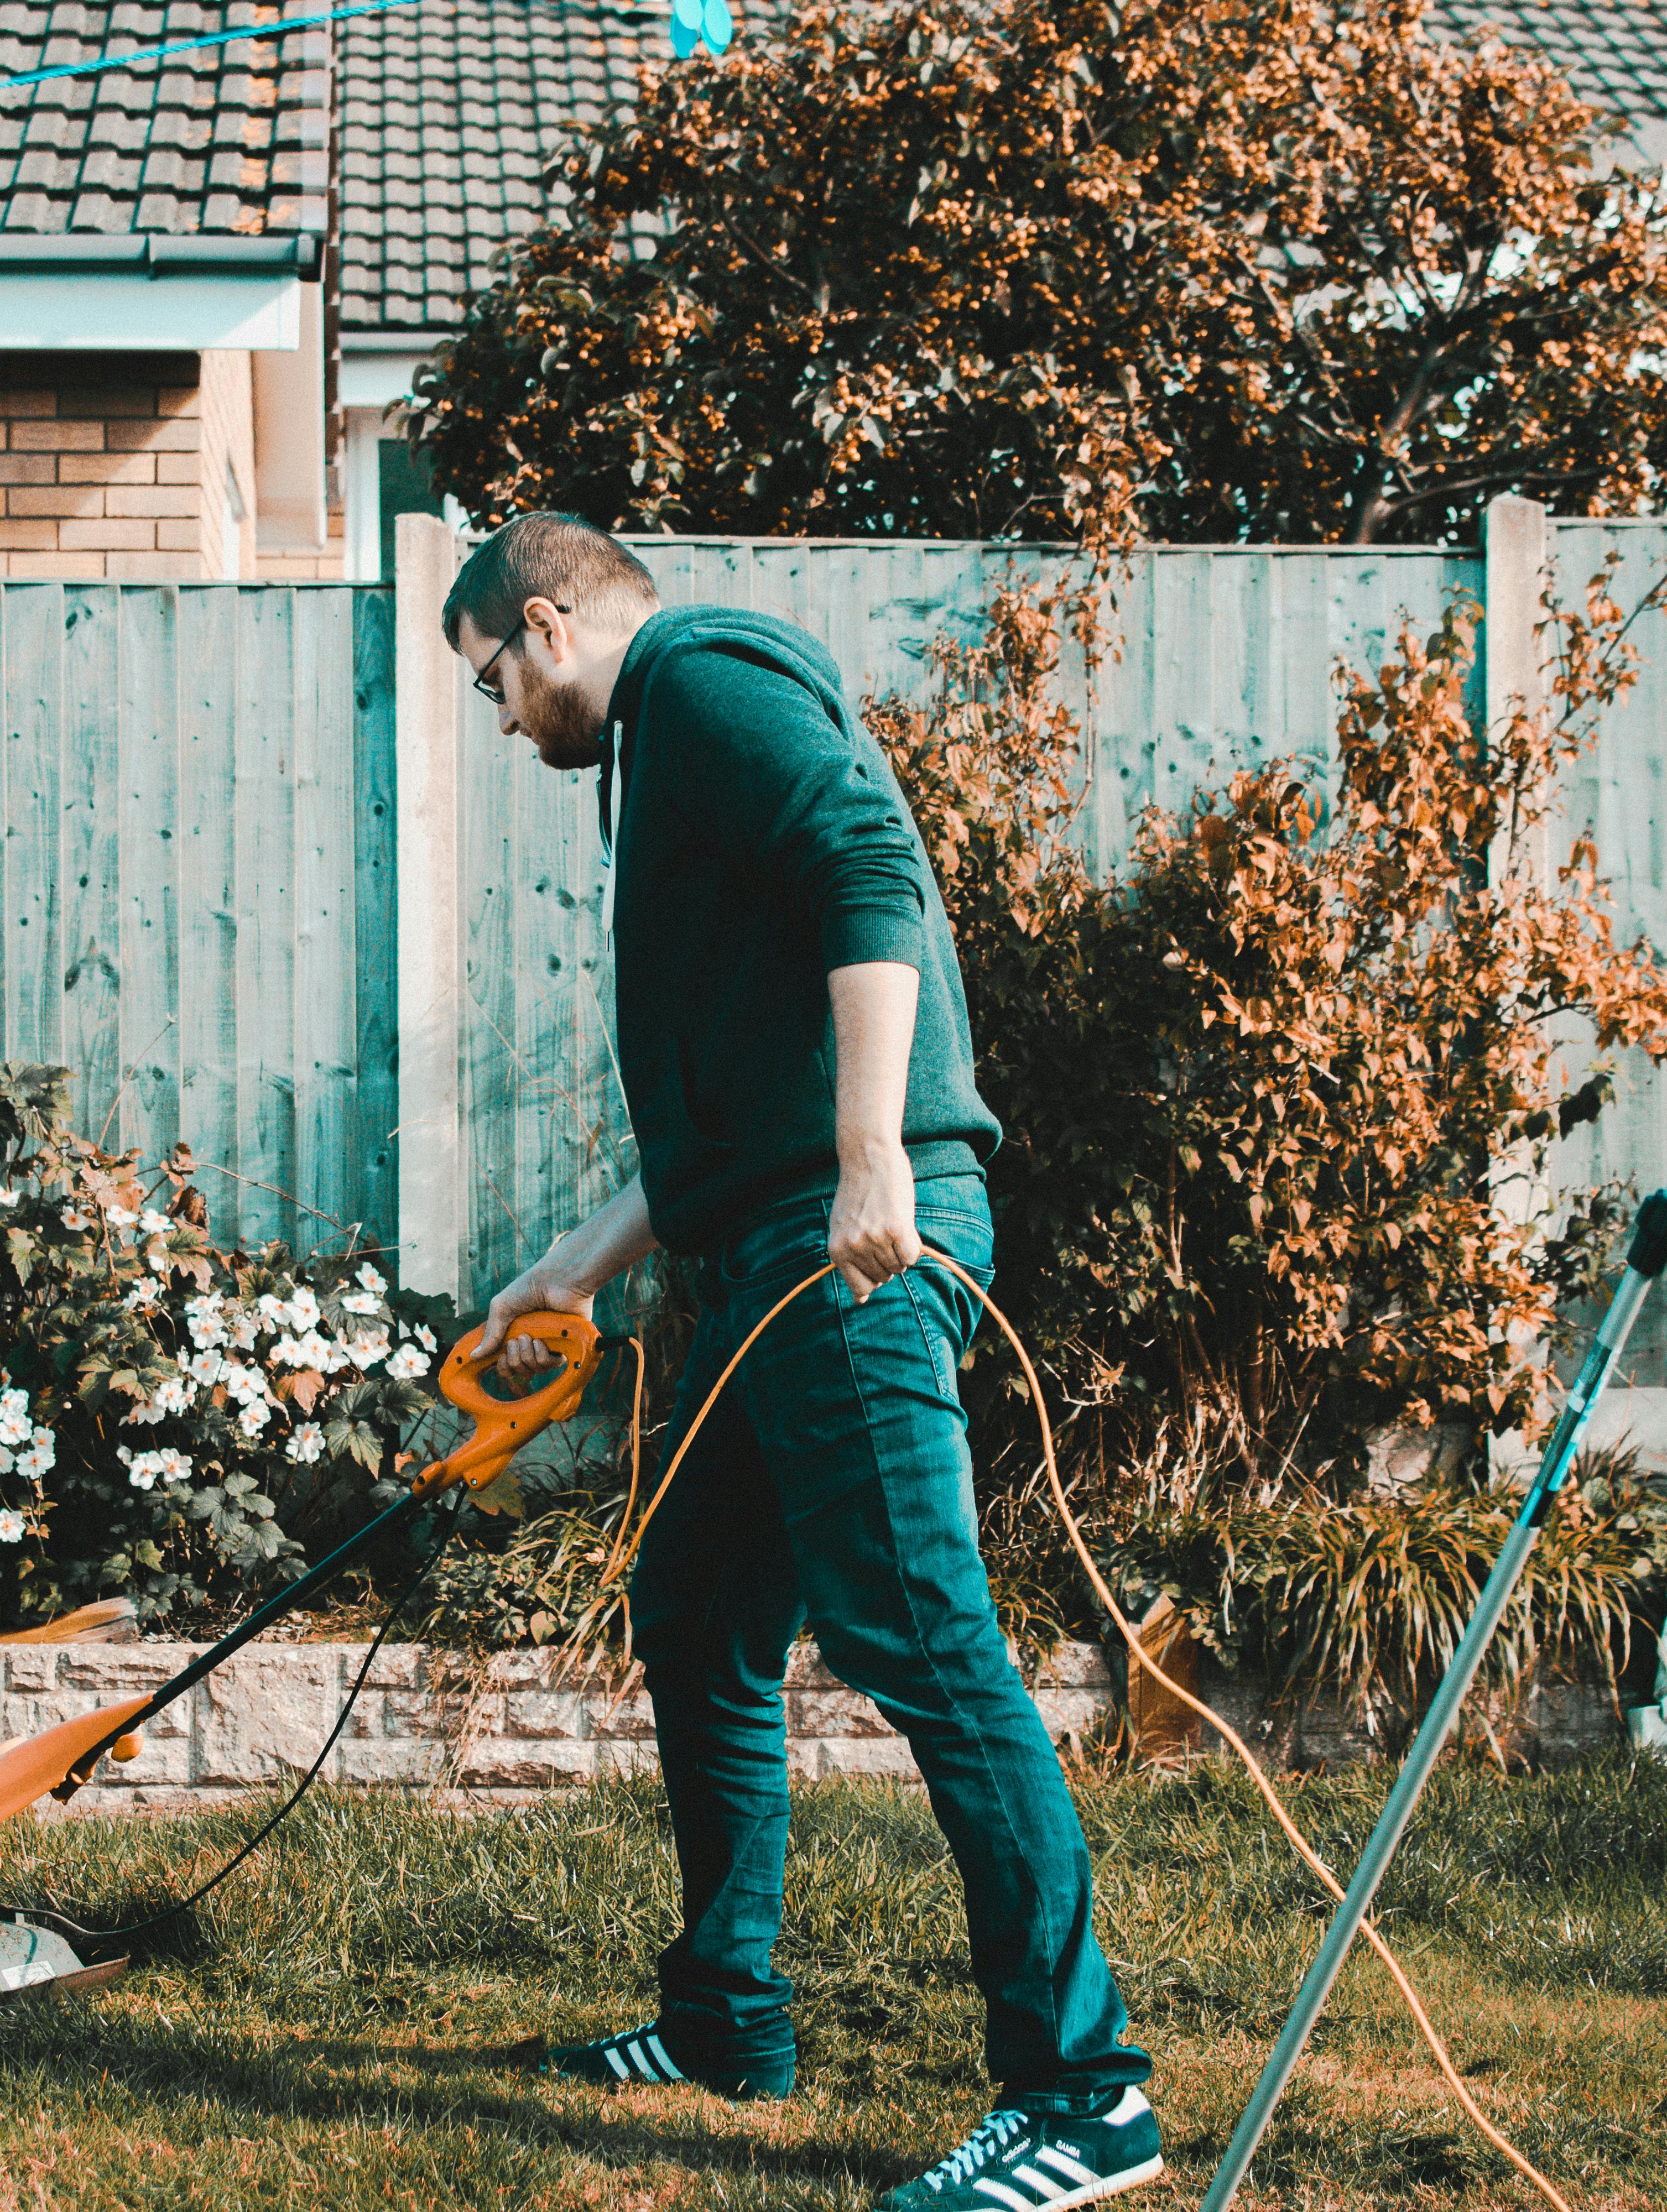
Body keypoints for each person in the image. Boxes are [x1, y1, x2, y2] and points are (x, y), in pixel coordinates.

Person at [447, 515, 1161, 2210]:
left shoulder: (704, 678)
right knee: (696, 1611)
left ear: (549, 627)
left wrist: (869, 1155)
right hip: (774, 1246)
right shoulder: (664, 750)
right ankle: (724, 2021)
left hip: (846, 1257)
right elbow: (724, 1108)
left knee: (922, 1638)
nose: (498, 722)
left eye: (490, 682)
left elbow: (865, 865)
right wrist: (571, 1269)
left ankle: (1084, 2099)